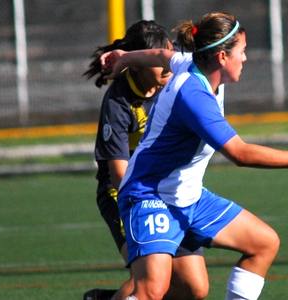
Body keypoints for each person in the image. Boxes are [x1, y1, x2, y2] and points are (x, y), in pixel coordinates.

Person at [100, 12, 288, 300]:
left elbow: (159, 54)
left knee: (263, 244)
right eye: (242, 52)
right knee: (151, 289)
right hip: (149, 196)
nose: (245, 58)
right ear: (222, 56)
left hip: (188, 198)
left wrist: (125, 57)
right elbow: (240, 153)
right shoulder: (193, 96)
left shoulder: (189, 64)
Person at [83, 20, 209, 300]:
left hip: (170, 192)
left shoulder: (174, 75)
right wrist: (152, 204)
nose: (166, 63)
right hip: (126, 194)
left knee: (194, 288)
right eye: (156, 58)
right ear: (137, 63)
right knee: (150, 281)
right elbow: (119, 173)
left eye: (166, 53)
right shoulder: (118, 102)